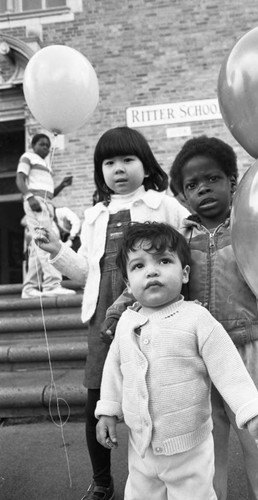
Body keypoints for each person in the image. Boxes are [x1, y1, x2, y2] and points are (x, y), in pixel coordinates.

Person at [103, 135, 258, 500]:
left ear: (233, 183)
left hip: (244, 346)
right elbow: (147, 278)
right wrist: (118, 309)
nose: (203, 188)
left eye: (212, 179)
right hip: (195, 356)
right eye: (192, 185)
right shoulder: (180, 238)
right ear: (183, 196)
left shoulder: (248, 229)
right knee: (208, 444)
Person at [34, 126, 190, 500]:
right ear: (99, 170)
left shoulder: (163, 205)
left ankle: (166, 477)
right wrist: (57, 249)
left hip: (151, 312)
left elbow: (191, 243)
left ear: (145, 164)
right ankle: (102, 481)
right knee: (97, 399)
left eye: (127, 159)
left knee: (155, 391)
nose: (118, 169)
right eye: (109, 162)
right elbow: (87, 270)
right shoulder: (94, 216)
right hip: (103, 317)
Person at [16, 133, 75, 299]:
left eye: (48, 146)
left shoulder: (46, 165)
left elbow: (49, 194)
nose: (46, 148)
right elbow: (20, 179)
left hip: (46, 203)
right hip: (36, 202)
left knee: (38, 246)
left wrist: (62, 184)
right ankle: (51, 284)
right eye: (42, 144)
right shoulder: (28, 157)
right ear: (33, 145)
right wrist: (29, 197)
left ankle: (29, 287)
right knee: (45, 242)